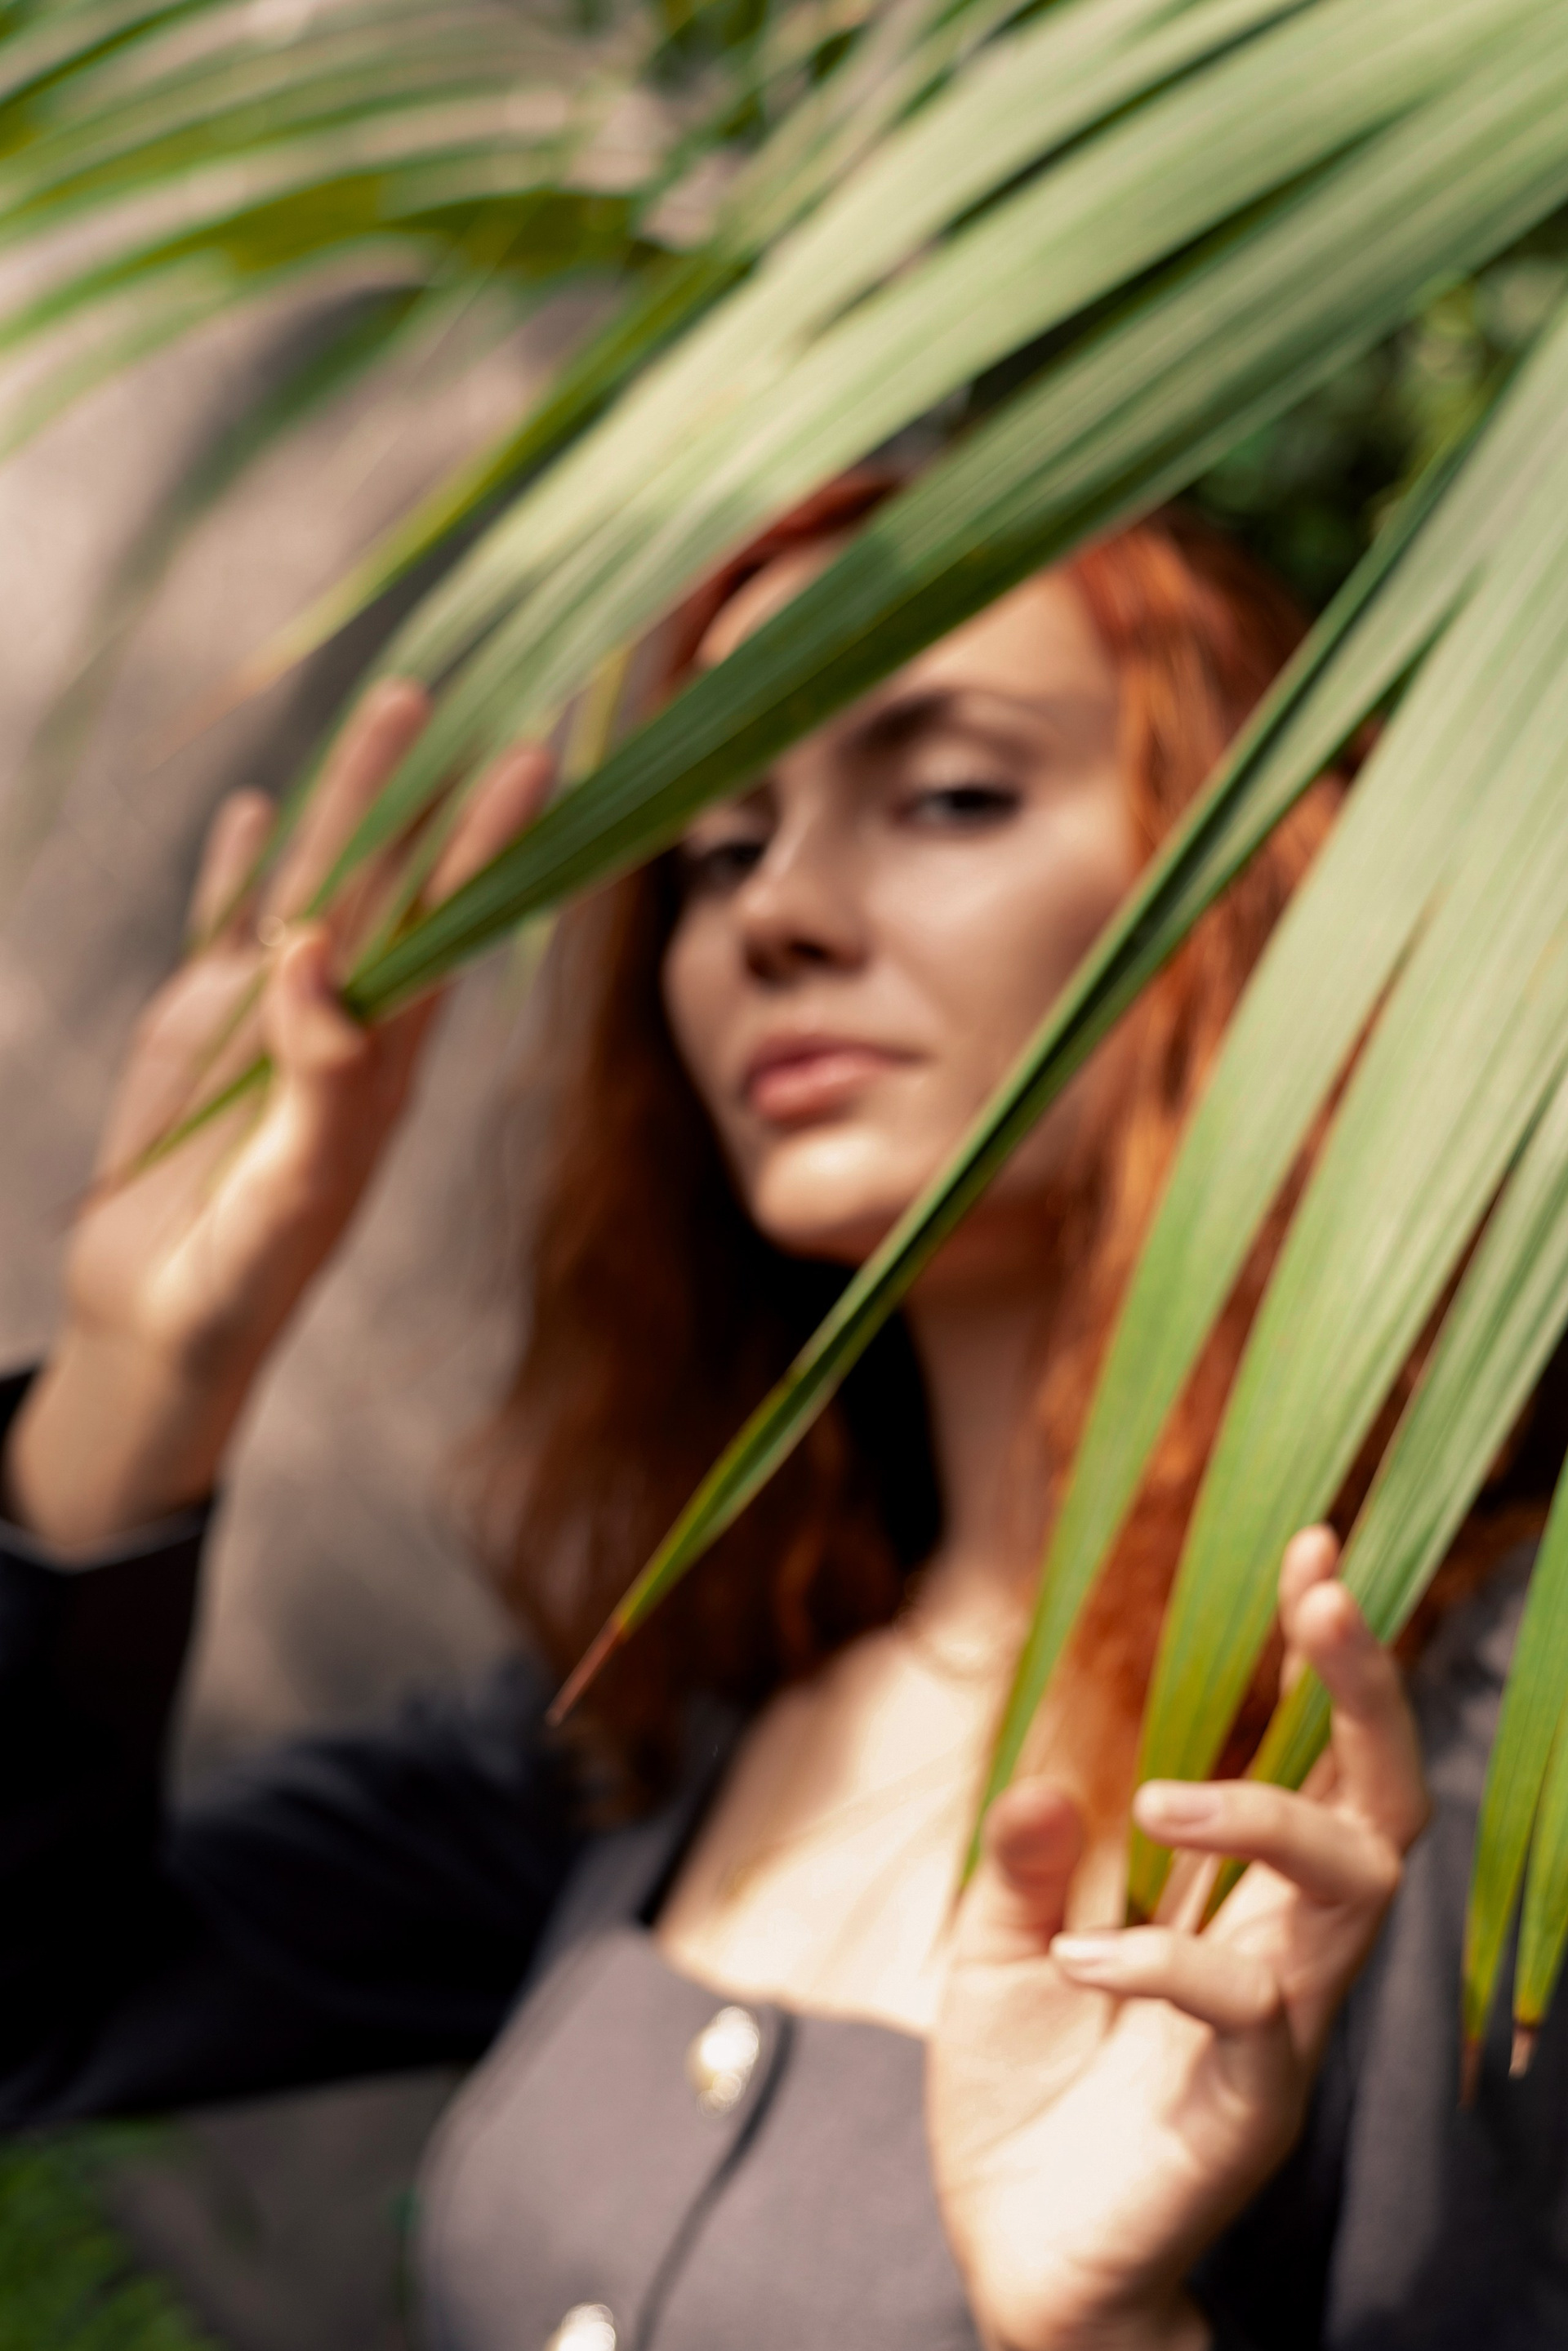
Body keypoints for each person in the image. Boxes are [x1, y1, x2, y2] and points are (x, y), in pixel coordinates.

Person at [0, 488, 1558, 2351]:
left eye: (952, 795)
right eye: (719, 853)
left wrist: (1111, 2333)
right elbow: (37, 2004)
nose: (778, 915)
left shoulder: (1469, 1750)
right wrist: (149, 1359)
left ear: (1265, 883)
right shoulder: (668, 1722)